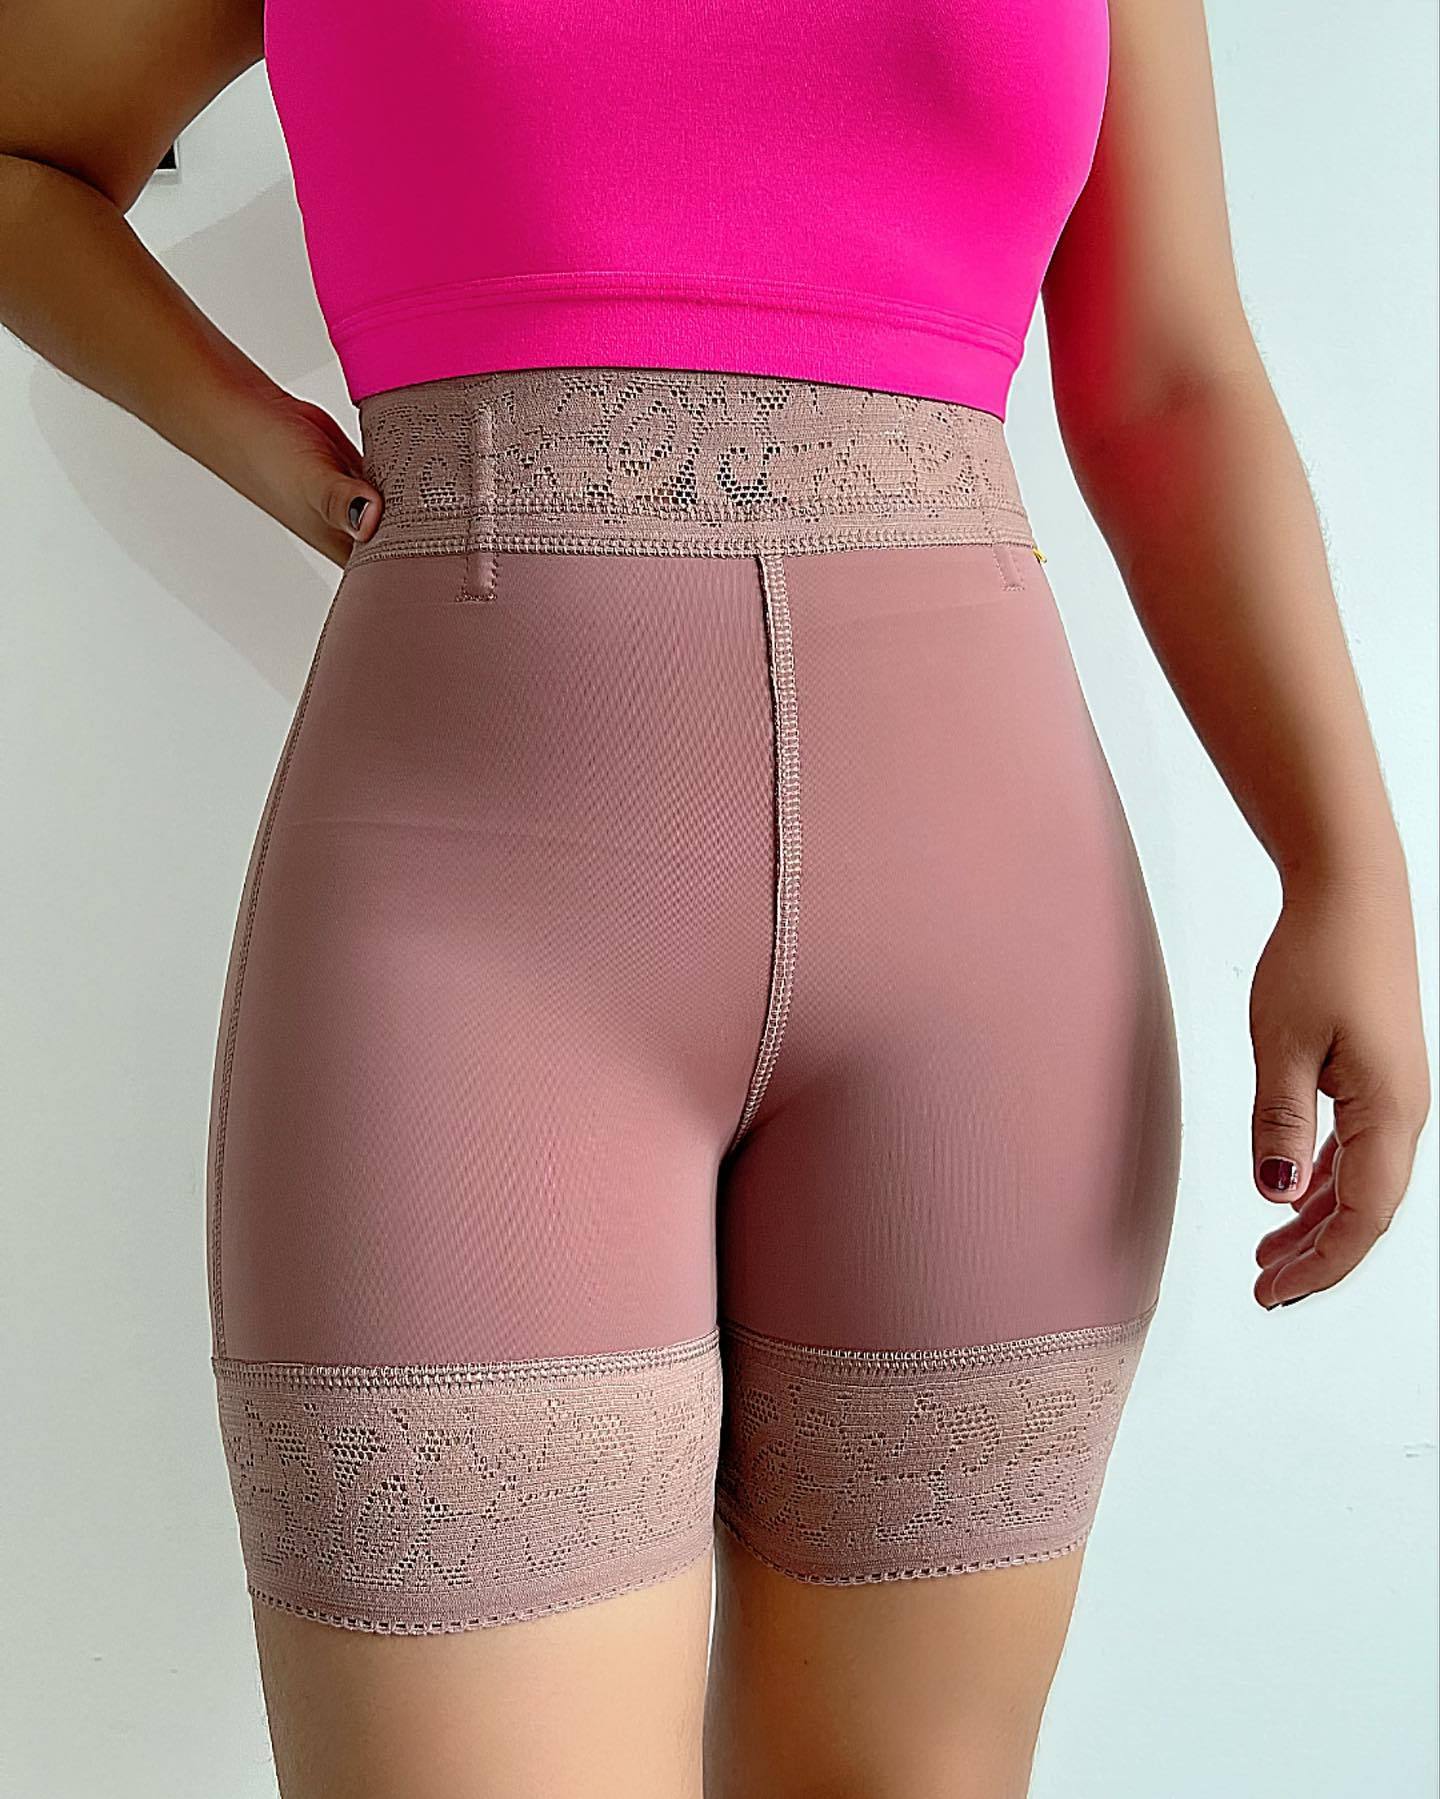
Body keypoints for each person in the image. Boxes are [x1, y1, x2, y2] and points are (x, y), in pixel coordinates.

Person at [1, 2, 1430, 1795]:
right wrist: (262, 441)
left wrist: (1346, 869)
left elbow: (1168, 380)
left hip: (993, 964)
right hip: (473, 958)